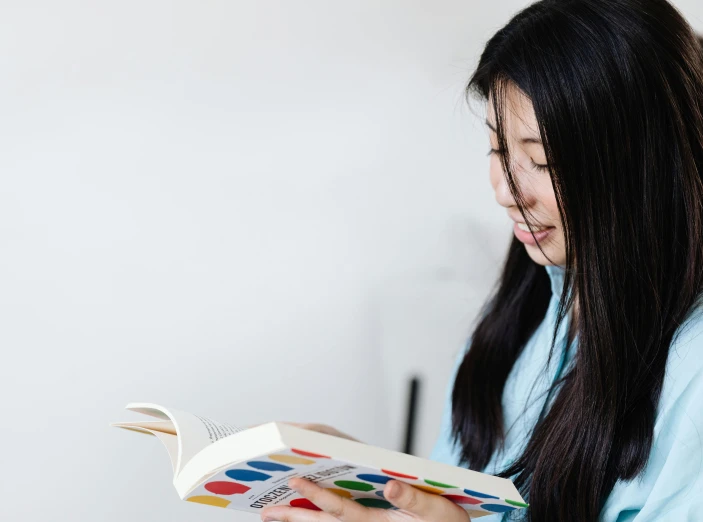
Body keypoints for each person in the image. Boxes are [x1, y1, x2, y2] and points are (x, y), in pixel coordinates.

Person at [260, 1, 703, 521]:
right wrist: (371, 484)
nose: (505, 192)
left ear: (647, 163)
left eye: (542, 161)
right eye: (496, 149)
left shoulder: (691, 375)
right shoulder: (523, 318)